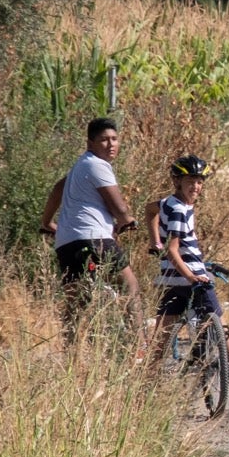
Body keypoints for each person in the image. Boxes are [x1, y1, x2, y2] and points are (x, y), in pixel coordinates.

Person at [151, 155, 229, 404]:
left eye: (200, 182)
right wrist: (191, 276)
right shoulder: (179, 210)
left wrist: (154, 241)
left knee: (161, 339)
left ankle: (144, 390)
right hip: (191, 279)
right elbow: (173, 250)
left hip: (168, 280)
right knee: (224, 332)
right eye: (190, 181)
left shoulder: (168, 203)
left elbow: (150, 209)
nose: (196, 186)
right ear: (177, 181)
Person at [40, 117, 143, 329]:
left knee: (76, 305)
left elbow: (57, 189)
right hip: (95, 238)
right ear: (90, 143)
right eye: (104, 140)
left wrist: (47, 223)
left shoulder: (80, 166)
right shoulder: (98, 165)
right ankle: (140, 344)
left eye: (114, 139)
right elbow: (120, 209)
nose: (111, 144)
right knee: (130, 286)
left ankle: (71, 348)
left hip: (66, 243)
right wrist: (128, 221)